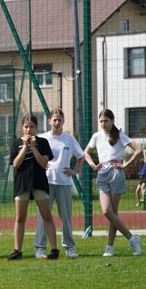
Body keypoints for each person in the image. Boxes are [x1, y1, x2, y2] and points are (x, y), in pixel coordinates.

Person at [83, 109, 143, 257]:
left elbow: (138, 150)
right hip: (102, 173)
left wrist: (125, 165)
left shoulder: (120, 136)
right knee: (107, 212)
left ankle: (109, 247)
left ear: (112, 121)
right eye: (101, 121)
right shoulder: (96, 136)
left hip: (116, 174)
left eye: (106, 121)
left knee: (112, 213)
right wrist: (92, 165)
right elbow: (86, 153)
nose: (103, 123)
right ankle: (132, 238)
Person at [34, 108, 85, 259]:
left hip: (64, 182)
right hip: (46, 182)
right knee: (43, 216)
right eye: (54, 119)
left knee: (66, 217)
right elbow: (35, 157)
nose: (57, 122)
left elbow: (81, 156)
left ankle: (69, 247)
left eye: (59, 119)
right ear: (49, 121)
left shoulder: (68, 138)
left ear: (63, 121)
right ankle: (40, 248)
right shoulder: (41, 138)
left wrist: (74, 170)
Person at [8, 114, 59, 260]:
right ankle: (17, 251)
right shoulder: (15, 143)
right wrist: (25, 147)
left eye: (32, 126)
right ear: (22, 127)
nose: (29, 129)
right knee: (20, 218)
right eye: (26, 126)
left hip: (39, 183)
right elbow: (16, 164)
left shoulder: (43, 142)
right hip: (22, 184)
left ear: (36, 128)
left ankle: (54, 250)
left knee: (46, 216)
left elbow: (44, 163)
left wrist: (34, 147)